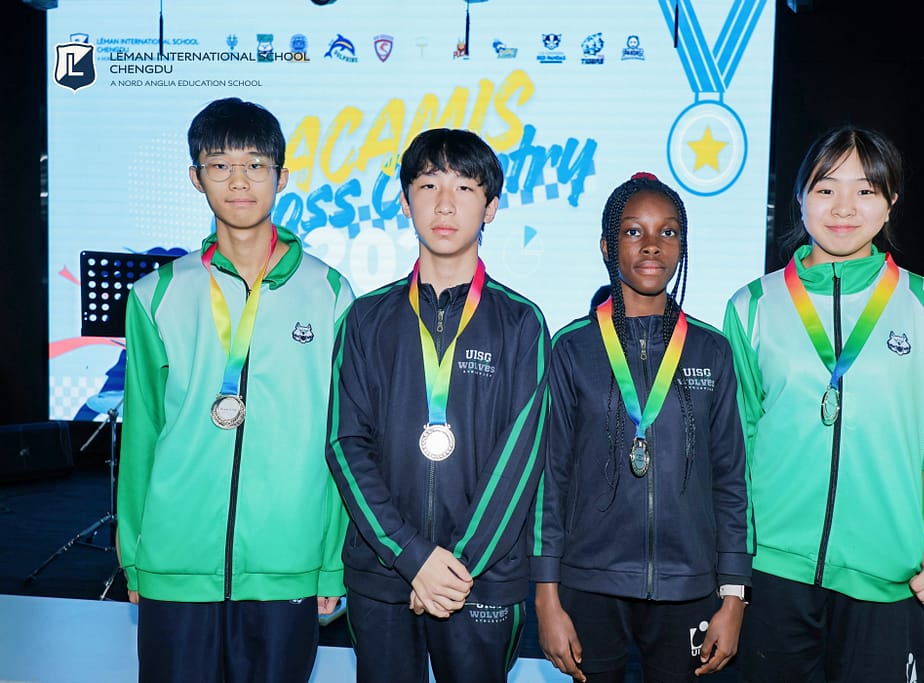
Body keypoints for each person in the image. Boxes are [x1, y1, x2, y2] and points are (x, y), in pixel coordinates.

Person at [117, 97, 354, 683]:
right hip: (177, 557)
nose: (239, 181)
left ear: (282, 176)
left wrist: (330, 562)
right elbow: (142, 433)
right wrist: (135, 554)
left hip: (287, 559)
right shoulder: (156, 294)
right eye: (220, 165)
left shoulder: (330, 293)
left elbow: (341, 438)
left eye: (255, 165)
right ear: (195, 177)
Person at [722, 126, 924, 682]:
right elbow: (738, 442)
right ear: (800, 197)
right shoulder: (752, 306)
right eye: (826, 188)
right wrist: (733, 566)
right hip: (774, 570)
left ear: (891, 202)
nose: (843, 208)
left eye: (864, 190)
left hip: (886, 571)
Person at [326, 128, 551, 683]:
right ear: (405, 202)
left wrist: (451, 571)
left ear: (491, 207)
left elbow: (520, 462)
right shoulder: (367, 319)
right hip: (384, 575)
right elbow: (345, 446)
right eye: (428, 185)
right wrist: (412, 557)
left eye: (465, 188)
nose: (445, 204)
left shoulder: (521, 322)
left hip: (482, 579)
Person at [532, 172, 752, 683]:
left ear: (682, 245)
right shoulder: (572, 348)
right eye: (634, 231)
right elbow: (549, 479)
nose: (652, 245)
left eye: (667, 232)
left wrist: (734, 594)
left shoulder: (711, 350)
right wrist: (545, 596)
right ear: (607, 246)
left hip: (688, 584)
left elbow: (731, 480)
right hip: (590, 581)